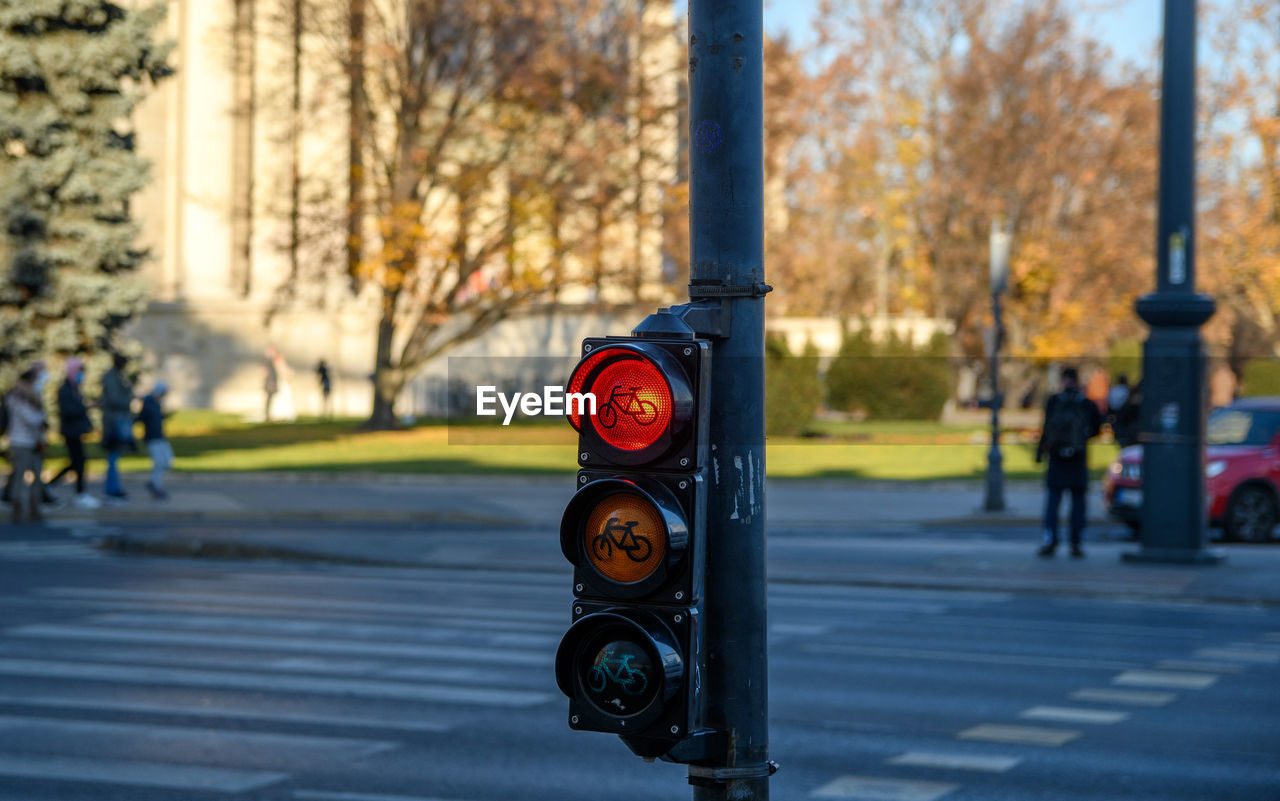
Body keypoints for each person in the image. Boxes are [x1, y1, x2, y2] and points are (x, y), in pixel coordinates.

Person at [1035, 367, 1102, 558]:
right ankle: (1076, 541)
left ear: (1063, 380)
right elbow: (1097, 428)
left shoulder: (1055, 401)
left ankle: (1050, 537)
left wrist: (1040, 453)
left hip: (1057, 459)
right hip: (1078, 460)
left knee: (1053, 501)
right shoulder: (1086, 404)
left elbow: (1046, 428)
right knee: (1078, 502)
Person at [48, 356, 100, 509]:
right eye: (79, 371)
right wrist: (86, 408)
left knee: (77, 462)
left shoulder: (74, 388)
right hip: (70, 432)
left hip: (76, 431)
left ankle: (51, 485)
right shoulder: (65, 389)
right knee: (78, 462)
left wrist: (88, 424)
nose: (81, 375)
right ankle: (79, 493)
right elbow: (68, 411)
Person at [4, 363, 49, 523]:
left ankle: (34, 509)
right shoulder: (17, 398)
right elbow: (31, 419)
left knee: (37, 475)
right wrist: (41, 415)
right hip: (20, 441)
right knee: (19, 476)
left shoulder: (32, 396)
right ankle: (18, 511)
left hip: (34, 442)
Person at [100, 353, 135, 502]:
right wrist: (128, 398)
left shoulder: (117, 376)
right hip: (113, 421)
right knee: (112, 457)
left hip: (116, 419)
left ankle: (114, 488)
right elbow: (115, 399)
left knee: (114, 457)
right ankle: (112, 489)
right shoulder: (112, 377)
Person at [136, 382, 173, 500]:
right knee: (159, 462)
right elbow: (139, 418)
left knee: (168, 460)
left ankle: (154, 483)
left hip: (161, 437)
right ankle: (155, 486)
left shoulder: (157, 405)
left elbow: (158, 418)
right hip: (152, 438)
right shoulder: (148, 404)